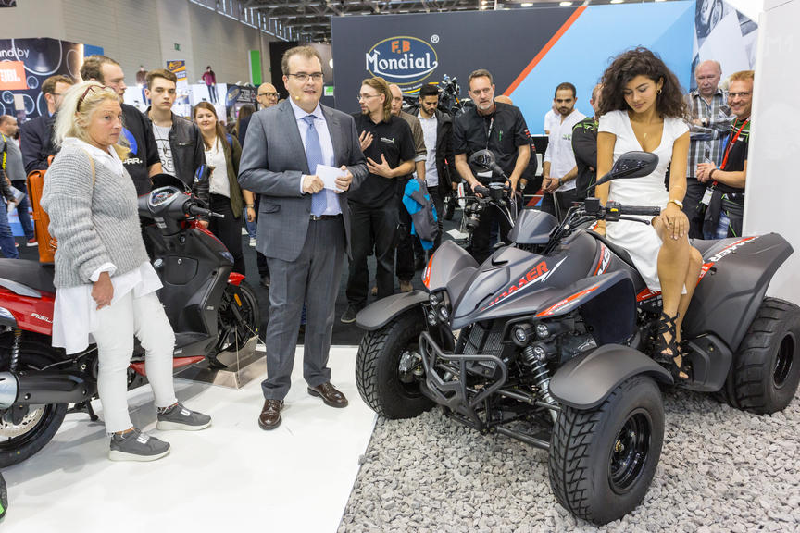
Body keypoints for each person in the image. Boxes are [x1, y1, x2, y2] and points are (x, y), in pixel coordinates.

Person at [41, 82, 210, 461]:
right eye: (107, 117)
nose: (118, 124)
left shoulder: (106, 154)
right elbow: (69, 222)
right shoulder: (73, 159)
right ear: (81, 120)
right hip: (101, 275)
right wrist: (98, 274)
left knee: (161, 338)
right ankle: (120, 435)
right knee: (116, 354)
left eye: (118, 116)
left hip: (131, 269)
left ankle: (167, 408)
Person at [238, 45, 367, 430]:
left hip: (331, 230)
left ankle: (318, 377)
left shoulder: (342, 121)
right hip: (286, 233)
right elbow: (249, 175)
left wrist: (351, 177)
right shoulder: (264, 121)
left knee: (324, 311)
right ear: (286, 81)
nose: (310, 82)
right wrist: (297, 182)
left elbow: (360, 166)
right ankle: (275, 391)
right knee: (283, 314)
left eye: (315, 75)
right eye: (301, 76)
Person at [596, 47, 703, 381]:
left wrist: (674, 206)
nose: (635, 98)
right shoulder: (611, 121)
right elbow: (602, 175)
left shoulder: (677, 127)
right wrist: (601, 218)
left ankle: (667, 330)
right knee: (694, 259)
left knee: (676, 230)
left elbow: (678, 180)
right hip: (619, 209)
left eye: (641, 89)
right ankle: (673, 336)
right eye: (627, 92)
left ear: (659, 84)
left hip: (658, 205)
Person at [342, 77, 415, 323]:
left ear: (381, 98)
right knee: (357, 257)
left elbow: (410, 163)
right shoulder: (352, 123)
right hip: (357, 202)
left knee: (385, 258)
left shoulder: (400, 127)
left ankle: (385, 305)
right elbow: (339, 161)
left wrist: (392, 173)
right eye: (360, 96)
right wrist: (357, 151)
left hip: (387, 203)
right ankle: (355, 303)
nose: (361, 100)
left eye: (366, 96)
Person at [453, 68, 531, 264]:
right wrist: (472, 182)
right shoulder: (462, 120)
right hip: (479, 191)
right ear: (470, 94)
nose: (482, 96)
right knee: (480, 246)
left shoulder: (513, 113)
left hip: (508, 189)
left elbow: (525, 150)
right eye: (477, 92)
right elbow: (460, 160)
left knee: (513, 244)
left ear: (493, 89)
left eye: (486, 90)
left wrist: (514, 178)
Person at [80, 55, 162, 196]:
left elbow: (153, 162)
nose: (124, 86)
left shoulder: (134, 114)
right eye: (116, 81)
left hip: (144, 203)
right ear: (94, 84)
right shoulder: (77, 121)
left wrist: (158, 197)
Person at [194, 102, 252, 274]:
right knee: (210, 254)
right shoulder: (192, 145)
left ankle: (239, 287)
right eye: (200, 116)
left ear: (216, 117)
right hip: (201, 205)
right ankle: (217, 288)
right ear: (195, 120)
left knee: (233, 251)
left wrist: (250, 205)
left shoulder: (229, 141)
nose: (205, 119)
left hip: (227, 202)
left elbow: (243, 174)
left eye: (208, 115)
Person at [696, 70, 753, 239]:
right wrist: (716, 170)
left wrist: (714, 173)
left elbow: (746, 179)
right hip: (721, 205)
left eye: (743, 94)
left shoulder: (755, 129)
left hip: (735, 213)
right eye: (732, 94)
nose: (735, 100)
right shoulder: (736, 121)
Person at [685, 60, 731, 239]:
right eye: (701, 78)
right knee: (690, 223)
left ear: (720, 75)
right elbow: (685, 130)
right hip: (692, 173)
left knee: (718, 224)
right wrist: (718, 132)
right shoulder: (685, 101)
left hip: (722, 174)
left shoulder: (730, 98)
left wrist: (705, 122)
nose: (705, 82)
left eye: (710, 77)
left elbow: (734, 123)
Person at [389, 83, 427, 292]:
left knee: (404, 232)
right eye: (391, 98)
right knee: (383, 234)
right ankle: (383, 277)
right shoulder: (375, 120)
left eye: (398, 99)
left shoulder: (411, 122)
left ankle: (405, 278)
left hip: (404, 182)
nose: (394, 103)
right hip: (380, 185)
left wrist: (420, 187)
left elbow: (420, 154)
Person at [410, 82, 456, 252]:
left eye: (435, 103)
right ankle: (418, 257)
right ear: (420, 100)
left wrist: (455, 178)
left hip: (436, 181)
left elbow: (450, 151)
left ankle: (435, 258)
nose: (432, 107)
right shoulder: (408, 119)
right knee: (415, 222)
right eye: (428, 103)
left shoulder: (444, 121)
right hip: (413, 180)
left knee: (437, 223)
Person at [242, 83, 280, 285]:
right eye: (268, 94)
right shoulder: (248, 122)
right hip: (261, 185)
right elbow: (246, 159)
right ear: (258, 98)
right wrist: (249, 199)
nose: (272, 97)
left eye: (275, 94)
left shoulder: (285, 119)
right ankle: (265, 272)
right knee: (263, 234)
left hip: (282, 183)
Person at [145, 69, 206, 189]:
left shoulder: (190, 128)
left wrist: (200, 199)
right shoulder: (138, 128)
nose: (166, 96)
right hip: (150, 196)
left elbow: (201, 169)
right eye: (159, 90)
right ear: (147, 93)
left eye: (171, 91)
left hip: (184, 196)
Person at [542, 82, 585, 221]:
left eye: (567, 100)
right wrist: (546, 177)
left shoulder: (582, 123)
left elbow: (583, 162)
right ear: (554, 101)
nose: (563, 104)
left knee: (569, 232)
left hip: (572, 191)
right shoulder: (554, 123)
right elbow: (549, 153)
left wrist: (561, 181)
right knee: (544, 230)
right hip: (551, 190)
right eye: (559, 101)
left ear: (575, 100)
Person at [19, 75, 73, 175]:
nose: (72, 99)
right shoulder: (31, 128)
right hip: (53, 182)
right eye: (67, 95)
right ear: (50, 97)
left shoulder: (79, 123)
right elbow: (33, 167)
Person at [1, 116, 36, 246]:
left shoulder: (8, 139)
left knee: (22, 209)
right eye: (14, 124)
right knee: (3, 211)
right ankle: (6, 241)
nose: (17, 127)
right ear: (5, 124)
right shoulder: (1, 138)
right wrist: (5, 177)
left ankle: (30, 237)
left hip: (17, 180)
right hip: (9, 181)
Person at [572, 84, 603, 201]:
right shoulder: (582, 128)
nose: (607, 105)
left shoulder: (623, 127)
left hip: (620, 194)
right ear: (592, 102)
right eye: (602, 101)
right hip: (590, 196)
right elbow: (596, 159)